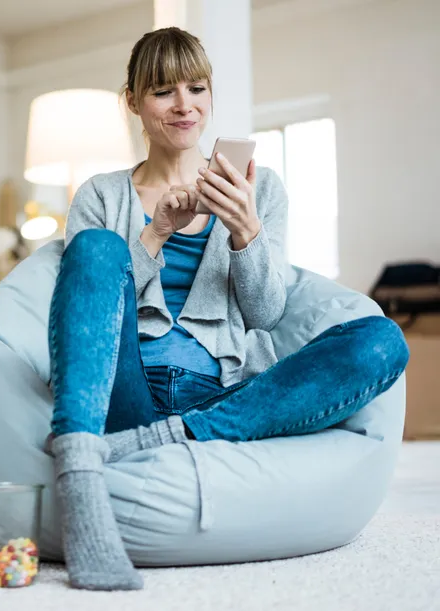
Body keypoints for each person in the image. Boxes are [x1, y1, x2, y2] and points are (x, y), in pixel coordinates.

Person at [46, 26, 409, 592]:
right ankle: (78, 471)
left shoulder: (260, 192)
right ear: (134, 103)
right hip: (126, 388)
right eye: (164, 90)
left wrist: (245, 229)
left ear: (211, 96)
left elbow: (266, 314)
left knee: (382, 341)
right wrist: (156, 234)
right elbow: (89, 303)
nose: (184, 105)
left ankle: (156, 442)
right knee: (96, 248)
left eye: (196, 87)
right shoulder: (101, 194)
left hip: (226, 393)